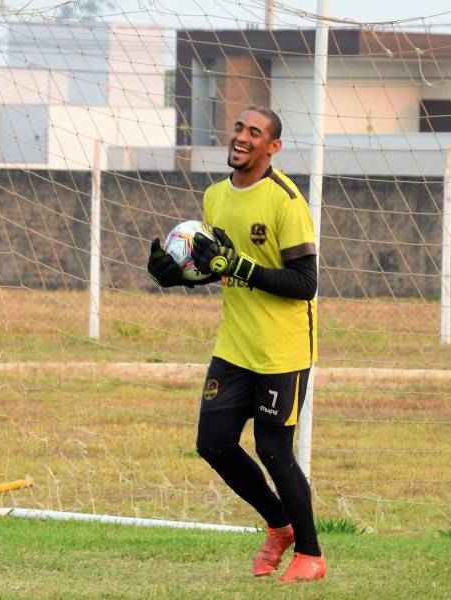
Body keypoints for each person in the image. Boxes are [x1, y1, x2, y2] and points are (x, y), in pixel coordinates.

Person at [147, 106, 324, 583]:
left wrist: (239, 265)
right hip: (234, 347)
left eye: (256, 132)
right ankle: (280, 526)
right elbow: (217, 268)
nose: (243, 137)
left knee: (274, 450)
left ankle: (310, 556)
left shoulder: (286, 201)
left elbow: (305, 282)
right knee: (214, 443)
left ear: (273, 147)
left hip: (281, 351)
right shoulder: (215, 196)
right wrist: (177, 277)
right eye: (240, 128)